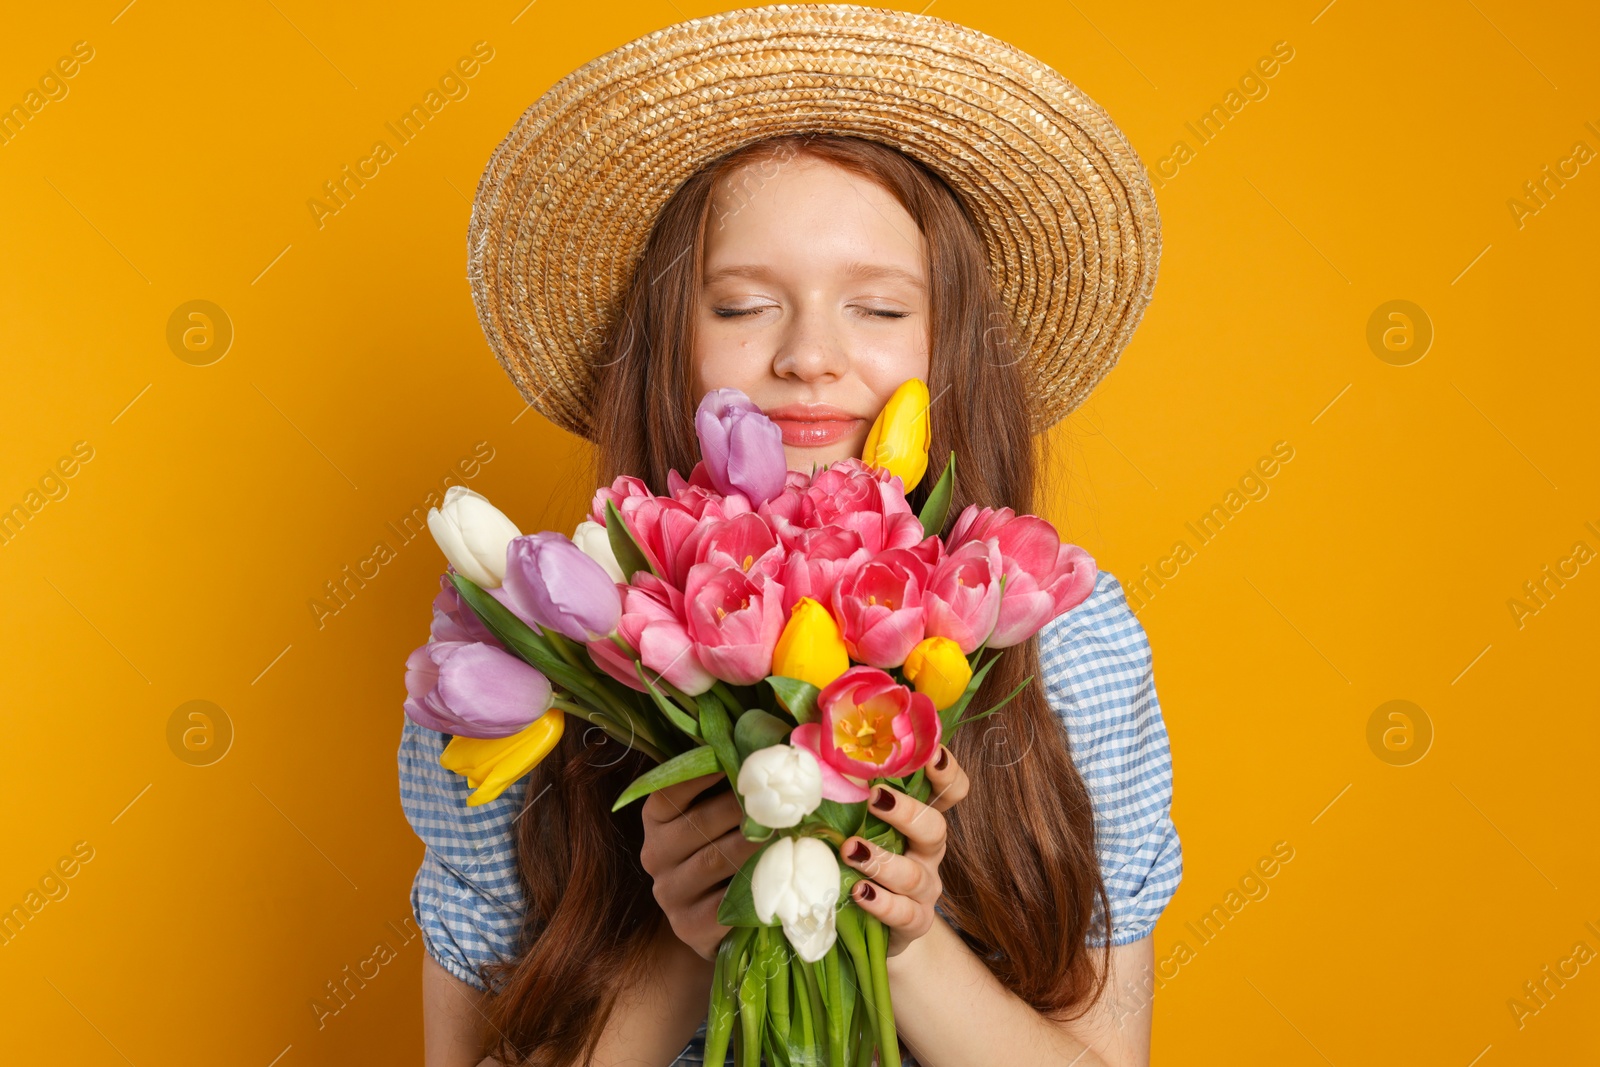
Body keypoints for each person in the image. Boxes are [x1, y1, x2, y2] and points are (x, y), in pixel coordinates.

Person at [401, 7, 1179, 1065]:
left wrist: (902, 938)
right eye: (742, 306)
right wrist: (693, 934)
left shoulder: (1070, 646)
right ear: (665, 350)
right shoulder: (520, 648)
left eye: (876, 308)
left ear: (952, 349)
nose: (810, 356)